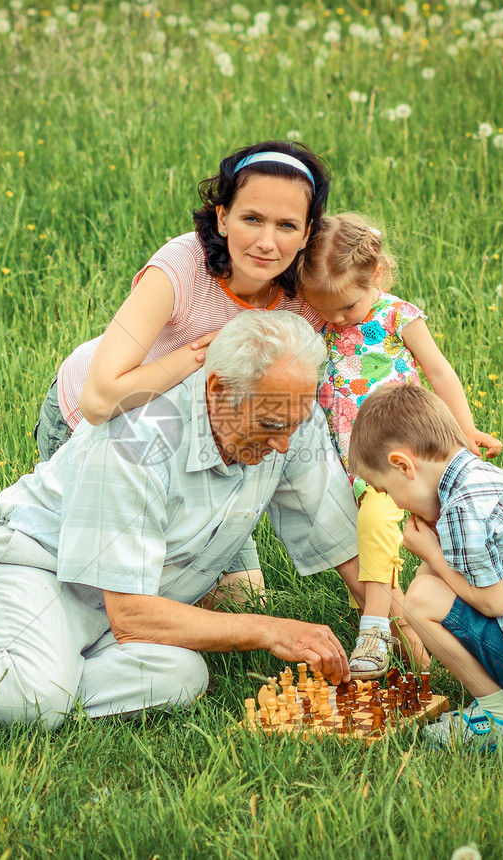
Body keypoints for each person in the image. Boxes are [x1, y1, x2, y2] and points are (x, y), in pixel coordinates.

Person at [0, 312, 362, 729]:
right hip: (35, 571)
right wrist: (271, 630)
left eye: (295, 422)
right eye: (268, 424)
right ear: (217, 389)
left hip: (123, 604)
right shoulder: (138, 436)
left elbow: (329, 527)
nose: (286, 443)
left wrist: (397, 622)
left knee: (184, 678)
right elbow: (133, 615)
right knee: (43, 700)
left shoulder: (289, 413)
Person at [35, 140, 331, 606]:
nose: (267, 241)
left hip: (209, 444)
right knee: (108, 593)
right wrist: (200, 357)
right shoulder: (182, 266)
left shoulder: (307, 295)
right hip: (110, 432)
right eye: (252, 218)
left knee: (243, 602)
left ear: (308, 233)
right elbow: (99, 400)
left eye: (287, 225)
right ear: (222, 217)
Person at [297, 213, 503, 680]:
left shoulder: (395, 315)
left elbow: (440, 372)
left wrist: (464, 433)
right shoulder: (324, 323)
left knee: (376, 521)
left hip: (403, 460)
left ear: (377, 275)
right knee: (371, 556)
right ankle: (417, 663)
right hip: (354, 468)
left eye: (346, 307)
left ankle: (373, 629)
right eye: (323, 309)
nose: (335, 318)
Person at [348, 384, 503, 750]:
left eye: (384, 490)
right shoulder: (486, 481)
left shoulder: (462, 509)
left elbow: (492, 603)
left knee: (419, 600)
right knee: (430, 584)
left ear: (403, 466)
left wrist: (432, 553)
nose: (393, 503)